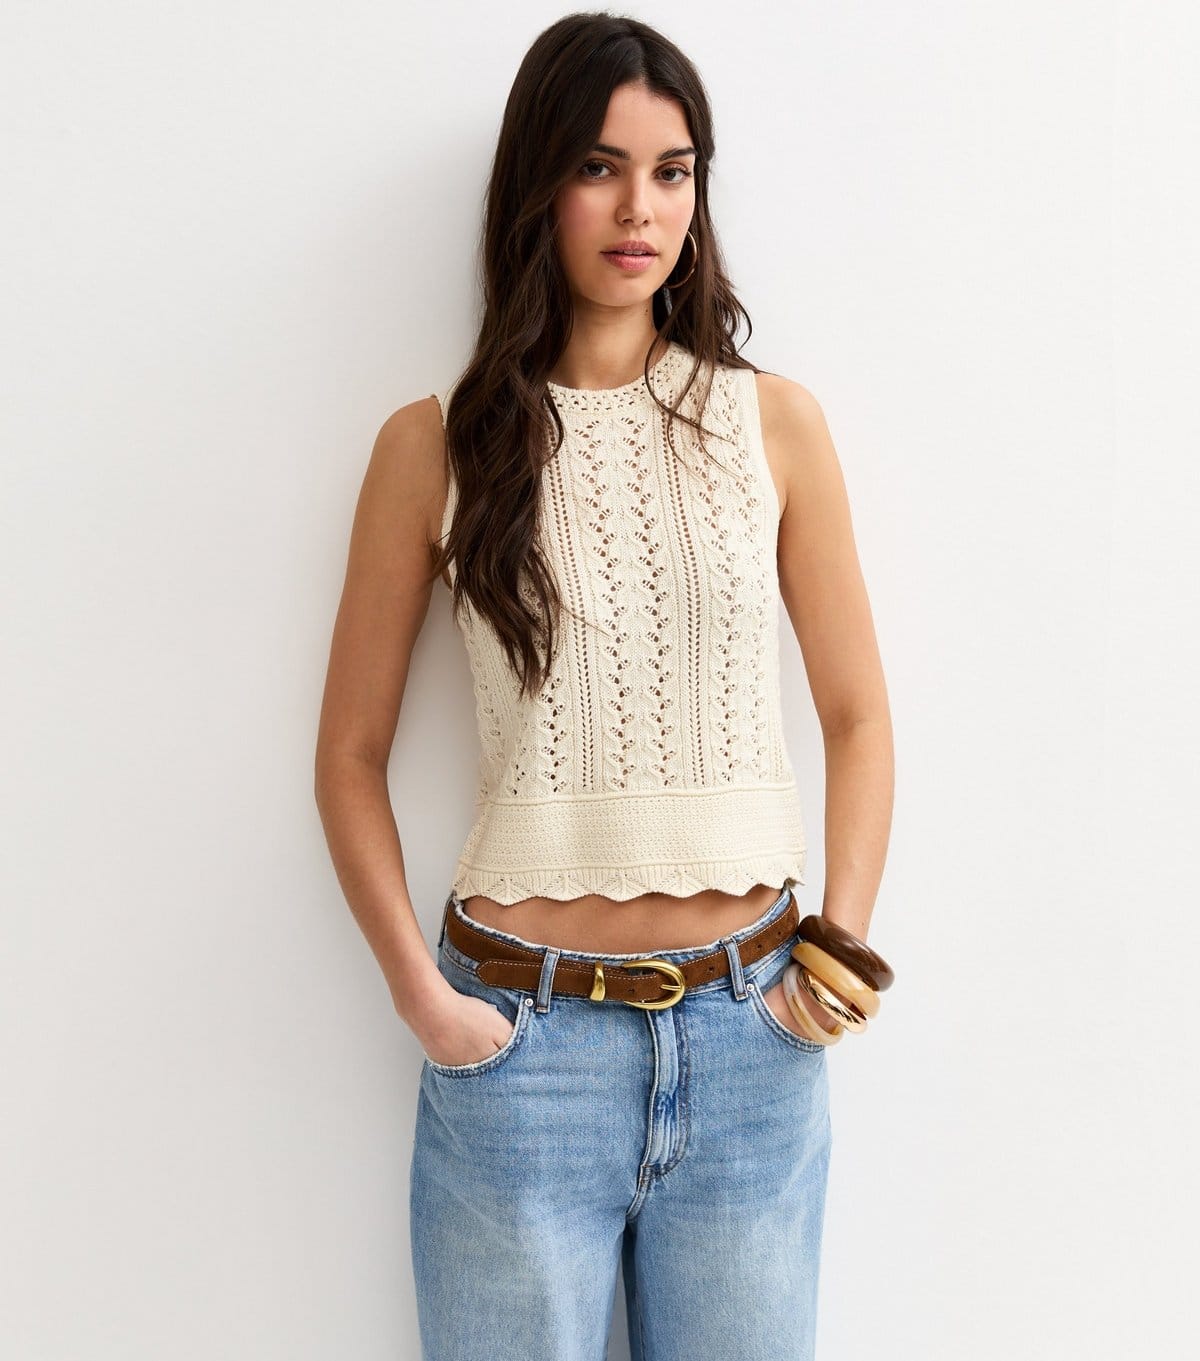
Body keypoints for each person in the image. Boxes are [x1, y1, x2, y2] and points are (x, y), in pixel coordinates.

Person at [314, 12, 893, 1360]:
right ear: (538, 186)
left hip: (754, 1034)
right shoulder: (436, 444)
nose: (641, 209)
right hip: (521, 1049)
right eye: (599, 167)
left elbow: (859, 716)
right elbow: (349, 755)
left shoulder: (774, 424)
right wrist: (422, 999)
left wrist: (838, 965)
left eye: (672, 171)